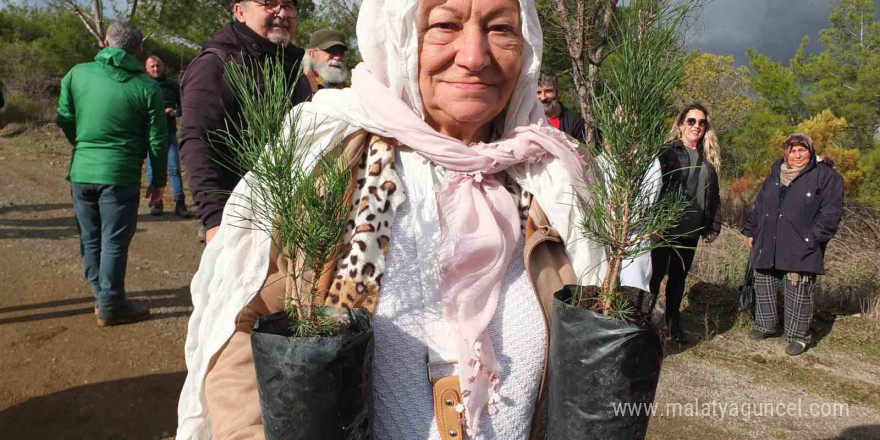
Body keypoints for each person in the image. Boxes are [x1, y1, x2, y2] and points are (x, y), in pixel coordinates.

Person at [175, 0, 653, 439]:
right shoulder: (326, 163)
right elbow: (245, 336)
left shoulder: (558, 182)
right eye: (445, 24)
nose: (474, 55)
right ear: (397, 35)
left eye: (501, 28)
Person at [56, 21, 167, 326]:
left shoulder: (77, 74)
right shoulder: (147, 86)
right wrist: (158, 181)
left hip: (82, 170)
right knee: (114, 241)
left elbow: (64, 117)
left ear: (105, 43)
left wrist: (83, 144)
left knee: (91, 238)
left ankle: (101, 295)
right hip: (120, 174)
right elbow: (158, 139)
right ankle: (111, 304)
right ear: (138, 50)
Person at [180, 0, 312, 244]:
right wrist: (215, 220)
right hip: (240, 220)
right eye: (270, 3)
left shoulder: (291, 69)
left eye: (289, 5)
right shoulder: (216, 65)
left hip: (292, 218)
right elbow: (198, 141)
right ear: (240, 11)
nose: (282, 13)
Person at [743, 133, 843, 356]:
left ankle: (798, 337)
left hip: (802, 243)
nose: (797, 155)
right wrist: (751, 230)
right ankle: (765, 326)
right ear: (785, 152)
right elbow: (761, 205)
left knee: (799, 287)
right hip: (768, 237)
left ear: (811, 151)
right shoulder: (775, 174)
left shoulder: (826, 176)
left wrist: (814, 238)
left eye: (802, 150)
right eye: (792, 150)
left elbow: (831, 212)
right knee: (765, 280)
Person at [649, 103, 722, 341]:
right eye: (691, 121)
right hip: (664, 229)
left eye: (701, 122)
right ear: (681, 125)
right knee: (655, 277)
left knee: (678, 281)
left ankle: (673, 326)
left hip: (690, 231)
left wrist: (712, 226)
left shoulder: (708, 161)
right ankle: (645, 321)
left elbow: (713, 197)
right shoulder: (667, 153)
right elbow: (654, 189)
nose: (697, 126)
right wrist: (654, 223)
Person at [145, 55, 192, 218]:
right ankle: (157, 202)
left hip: (169, 133)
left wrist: (175, 112)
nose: (155, 69)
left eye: (158, 66)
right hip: (151, 135)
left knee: (173, 169)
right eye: (152, 67)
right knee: (153, 169)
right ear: (146, 69)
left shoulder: (173, 85)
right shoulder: (143, 85)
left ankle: (180, 203)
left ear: (164, 66)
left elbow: (183, 107)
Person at [536, 69, 585, 142]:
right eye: (538, 92)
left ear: (558, 92)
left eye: (548, 91)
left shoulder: (575, 122)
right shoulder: (526, 119)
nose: (543, 97)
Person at [303, 28, 349, 92]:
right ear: (312, 54)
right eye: (332, 51)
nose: (338, 57)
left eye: (341, 53)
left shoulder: (348, 91)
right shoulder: (301, 86)